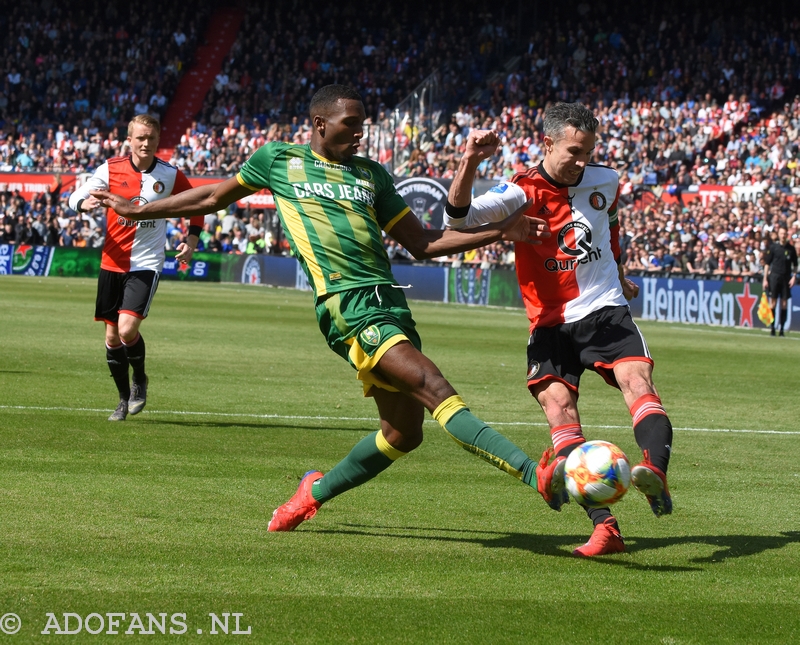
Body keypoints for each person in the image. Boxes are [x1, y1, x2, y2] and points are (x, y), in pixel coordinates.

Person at [92, 84, 553, 531]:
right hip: (346, 304)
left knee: (403, 434)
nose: (360, 133)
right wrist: (137, 211)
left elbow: (424, 242)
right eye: (351, 124)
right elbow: (212, 196)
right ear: (319, 123)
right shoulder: (279, 159)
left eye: (363, 125)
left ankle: (310, 494)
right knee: (433, 385)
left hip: (389, 303)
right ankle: (538, 477)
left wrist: (499, 232)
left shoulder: (371, 174)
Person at [445, 103, 674, 557]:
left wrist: (622, 271)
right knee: (560, 413)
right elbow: (457, 218)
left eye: (589, 151)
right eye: (574, 152)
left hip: (605, 309)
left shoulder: (605, 181)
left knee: (637, 381)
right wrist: (470, 160)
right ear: (547, 144)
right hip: (549, 322)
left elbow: (608, 228)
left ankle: (656, 472)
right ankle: (605, 527)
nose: (583, 162)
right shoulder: (519, 192)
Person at [69, 114, 204, 421]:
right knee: (112, 338)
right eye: (140, 137)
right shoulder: (110, 168)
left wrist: (191, 241)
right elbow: (77, 194)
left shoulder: (170, 175)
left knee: (128, 329)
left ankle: (140, 380)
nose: (145, 143)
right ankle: (122, 398)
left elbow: (199, 206)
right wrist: (82, 204)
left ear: (158, 141)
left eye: (151, 138)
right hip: (112, 262)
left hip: (146, 262)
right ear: (129, 139)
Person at [762, 226, 798, 336]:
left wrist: (794, 276)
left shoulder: (791, 249)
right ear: (778, 234)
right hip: (774, 277)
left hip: (786, 278)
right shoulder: (773, 248)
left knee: (784, 303)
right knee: (773, 302)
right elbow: (767, 264)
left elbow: (795, 265)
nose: (783, 235)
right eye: (781, 233)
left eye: (785, 233)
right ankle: (772, 327)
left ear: (787, 235)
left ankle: (782, 328)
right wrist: (765, 279)